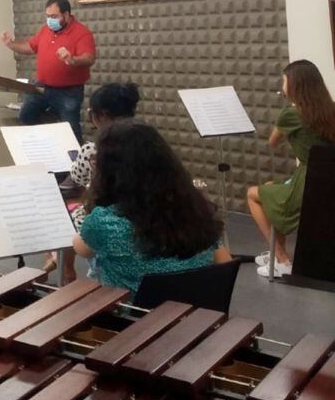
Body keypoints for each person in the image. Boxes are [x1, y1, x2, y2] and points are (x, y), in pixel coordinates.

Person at [73, 120, 230, 295]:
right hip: (196, 308)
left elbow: (81, 248)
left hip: (134, 312)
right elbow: (225, 265)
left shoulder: (103, 222)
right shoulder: (195, 208)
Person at [247, 60, 335, 278]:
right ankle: (277, 254)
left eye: (284, 81)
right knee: (271, 188)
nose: (282, 86)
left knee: (252, 195)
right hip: (327, 181)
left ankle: (283, 260)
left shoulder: (291, 114)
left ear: (294, 86)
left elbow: (273, 143)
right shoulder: (331, 110)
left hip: (308, 182)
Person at [48, 82, 141, 282]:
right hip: (141, 212)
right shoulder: (147, 143)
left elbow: (78, 178)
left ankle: (65, 268)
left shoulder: (92, 150)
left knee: (68, 214)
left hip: (103, 215)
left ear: (102, 115)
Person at [1, 0, 96, 142]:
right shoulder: (45, 30)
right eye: (48, 16)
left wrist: (72, 59)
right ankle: (47, 142)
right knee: (25, 115)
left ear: (66, 15)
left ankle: (74, 155)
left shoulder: (82, 33)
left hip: (68, 92)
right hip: (42, 87)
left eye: (54, 16)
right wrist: (11, 44)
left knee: (71, 130)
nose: (50, 20)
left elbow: (89, 58)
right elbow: (30, 47)